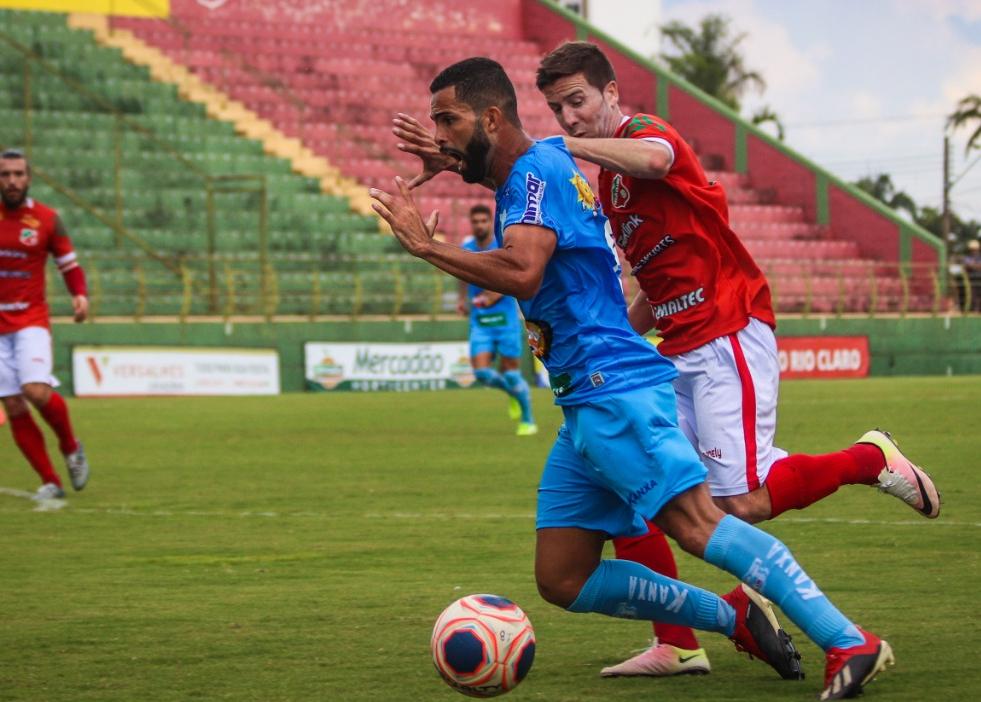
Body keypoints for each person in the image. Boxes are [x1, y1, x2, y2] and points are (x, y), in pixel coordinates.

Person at [375, 57, 894, 700]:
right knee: (562, 578)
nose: (441, 134)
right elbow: (507, 177)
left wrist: (425, 245)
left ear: (490, 117)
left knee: (701, 523)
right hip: (585, 400)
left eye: (448, 121)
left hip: (613, 388)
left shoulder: (537, 169)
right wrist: (455, 160)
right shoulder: (528, 175)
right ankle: (733, 617)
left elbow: (522, 271)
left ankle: (847, 639)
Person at [533, 41, 940, 679]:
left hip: (727, 329)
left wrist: (572, 149)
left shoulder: (642, 135)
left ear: (611, 94)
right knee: (637, 488)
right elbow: (651, 283)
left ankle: (869, 459)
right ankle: (678, 643)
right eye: (558, 110)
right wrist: (619, 337)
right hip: (676, 348)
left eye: (578, 101)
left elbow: (656, 157)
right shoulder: (610, 185)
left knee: (741, 502)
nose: (570, 118)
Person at [0, 149, 90, 500]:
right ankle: (51, 482)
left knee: (36, 391)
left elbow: (69, 264)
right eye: (5, 174)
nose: (11, 181)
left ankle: (70, 447)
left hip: (30, 320)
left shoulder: (47, 220)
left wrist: (79, 295)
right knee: (13, 404)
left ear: (29, 178)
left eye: (18, 174)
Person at [459, 204, 537, 435]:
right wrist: (462, 299)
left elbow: (514, 278)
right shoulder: (467, 248)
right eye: (476, 221)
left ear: (490, 222)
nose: (480, 225)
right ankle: (514, 393)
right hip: (481, 322)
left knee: (512, 373)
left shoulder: (501, 247)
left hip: (505, 321)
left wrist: (494, 294)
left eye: (484, 221)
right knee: (482, 374)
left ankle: (527, 419)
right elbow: (460, 275)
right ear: (471, 223)